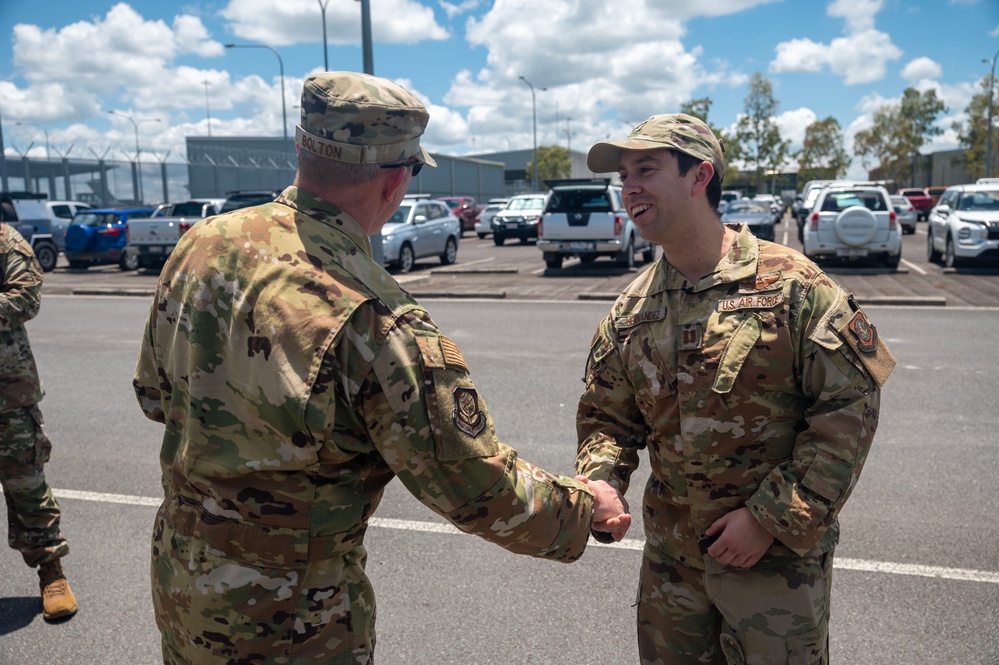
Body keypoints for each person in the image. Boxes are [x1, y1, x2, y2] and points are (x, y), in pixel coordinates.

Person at [133, 71, 630, 665]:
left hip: (182, 579)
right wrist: (585, 504)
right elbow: (474, 487)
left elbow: (154, 396)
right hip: (287, 617)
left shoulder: (203, 244)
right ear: (397, 178)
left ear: (303, 149)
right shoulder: (375, 317)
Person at [575, 114, 895, 664]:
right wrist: (603, 482)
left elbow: (850, 406)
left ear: (700, 177)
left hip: (775, 570)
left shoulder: (793, 285)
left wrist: (770, 518)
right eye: (624, 175)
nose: (629, 187)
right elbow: (608, 418)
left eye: (646, 170)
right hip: (673, 572)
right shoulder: (630, 311)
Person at [0, 223, 78, 621]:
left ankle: (52, 573)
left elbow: (26, 297)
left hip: (7, 395)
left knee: (27, 486)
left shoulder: (5, 241)